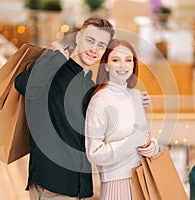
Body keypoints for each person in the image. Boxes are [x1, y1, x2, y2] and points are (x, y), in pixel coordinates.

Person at [15, 17, 151, 200]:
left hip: (80, 188)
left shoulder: (90, 84)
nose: (94, 49)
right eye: (90, 40)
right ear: (78, 37)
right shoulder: (55, 69)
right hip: (52, 185)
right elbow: (23, 85)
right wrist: (55, 56)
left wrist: (135, 101)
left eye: (101, 44)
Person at [85, 39, 159, 200]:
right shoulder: (99, 101)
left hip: (143, 180)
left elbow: (144, 135)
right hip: (117, 186)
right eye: (116, 60)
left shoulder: (135, 96)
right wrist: (133, 142)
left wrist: (153, 145)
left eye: (128, 60)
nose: (123, 66)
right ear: (105, 65)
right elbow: (94, 153)